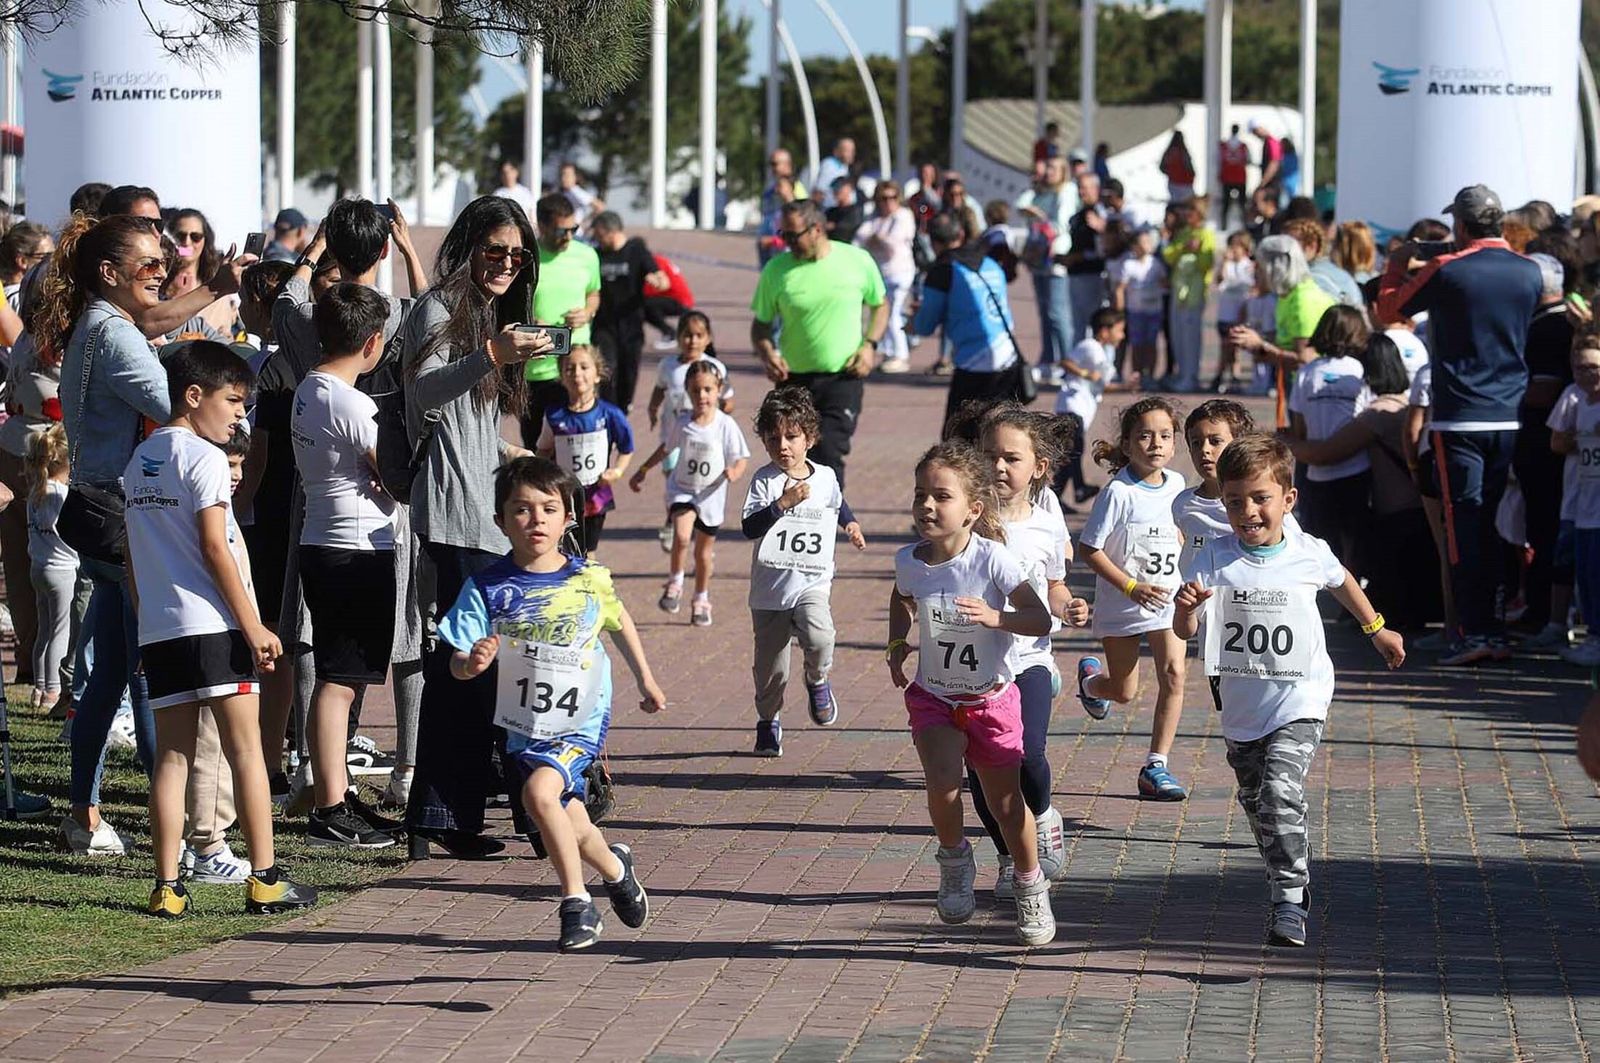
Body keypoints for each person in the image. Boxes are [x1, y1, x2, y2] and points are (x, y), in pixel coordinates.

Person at [1175, 434, 1402, 947]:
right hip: (1240, 706)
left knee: (1280, 790)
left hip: (1301, 697)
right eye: (1234, 501)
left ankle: (1291, 895)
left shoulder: (1307, 551)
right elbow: (1184, 632)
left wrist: (1377, 629)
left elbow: (1342, 579)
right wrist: (1187, 607)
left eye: (1260, 499)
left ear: (1288, 500)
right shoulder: (1212, 558)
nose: (1247, 511)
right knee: (1258, 804)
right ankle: (1284, 871)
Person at [123, 340, 317, 918]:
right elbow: (215, 545)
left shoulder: (138, 461)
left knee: (172, 759)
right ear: (193, 395)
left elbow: (133, 557)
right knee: (248, 751)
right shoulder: (204, 458)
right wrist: (253, 624)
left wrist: (143, 616)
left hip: (161, 629)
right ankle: (265, 879)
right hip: (215, 626)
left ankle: (167, 887)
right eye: (233, 401)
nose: (240, 415)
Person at [441, 456, 664, 952]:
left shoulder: (588, 579)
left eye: (548, 508)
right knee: (569, 817)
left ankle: (576, 902)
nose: (535, 519)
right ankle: (615, 869)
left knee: (539, 797)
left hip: (580, 717)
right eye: (521, 509)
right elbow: (458, 656)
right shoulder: (486, 588)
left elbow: (619, 621)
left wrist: (646, 680)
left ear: (569, 519)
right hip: (525, 721)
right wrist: (470, 664)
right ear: (500, 521)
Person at [402, 195, 552, 859]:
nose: (507, 264)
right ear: (467, 245)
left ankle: (451, 813)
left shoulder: (489, 314)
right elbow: (424, 392)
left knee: (487, 668)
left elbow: (472, 429)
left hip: (487, 515)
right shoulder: (437, 308)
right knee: (471, 668)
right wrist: (490, 352)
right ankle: (446, 814)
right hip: (452, 518)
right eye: (496, 250)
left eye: (518, 256)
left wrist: (517, 463)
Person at [39, 212, 174, 855]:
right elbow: (180, 403)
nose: (162, 274)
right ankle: (183, 833)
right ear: (109, 273)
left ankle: (85, 814)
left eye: (164, 261)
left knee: (118, 667)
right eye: (149, 265)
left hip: (101, 507)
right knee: (145, 671)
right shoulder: (113, 333)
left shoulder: (98, 324)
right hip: (121, 513)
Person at [885, 441, 1056, 945]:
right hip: (935, 696)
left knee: (1006, 805)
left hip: (990, 700)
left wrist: (996, 617)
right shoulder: (909, 561)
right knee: (942, 785)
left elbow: (1039, 617)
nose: (927, 506)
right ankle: (955, 861)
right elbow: (902, 599)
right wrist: (897, 642)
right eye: (920, 495)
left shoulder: (994, 560)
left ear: (973, 510)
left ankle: (1030, 884)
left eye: (941, 496)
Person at [1377, 184, 1544, 665]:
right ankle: (1488, 628)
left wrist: (1400, 261)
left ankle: (1473, 633)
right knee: (1489, 522)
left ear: (1463, 225)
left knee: (1463, 526)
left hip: (1458, 417)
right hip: (1508, 414)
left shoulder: (1448, 269)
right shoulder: (1528, 271)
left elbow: (1390, 310)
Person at [291, 283, 402, 849]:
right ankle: (330, 806)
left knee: (341, 678)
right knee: (340, 681)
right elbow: (396, 475)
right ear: (373, 341)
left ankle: (334, 792)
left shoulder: (308, 389)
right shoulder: (352, 403)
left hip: (323, 541)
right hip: (355, 548)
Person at [969, 404, 1089, 898]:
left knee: (1029, 752)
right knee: (981, 769)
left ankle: (1043, 815)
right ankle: (1006, 856)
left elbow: (1054, 586)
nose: (999, 466)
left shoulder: (1046, 519)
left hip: (1029, 658)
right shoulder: (968, 516)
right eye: (990, 456)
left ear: (1038, 468)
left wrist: (1070, 606)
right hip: (977, 665)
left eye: (1011, 459)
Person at [1075, 397, 1191, 800]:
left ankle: (1156, 765)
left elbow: (1180, 532)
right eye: (1144, 436)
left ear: (1175, 443)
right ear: (1126, 444)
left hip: (1167, 600)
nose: (1155, 444)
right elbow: (1089, 548)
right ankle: (1092, 684)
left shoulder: (1178, 486)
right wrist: (1130, 586)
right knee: (1123, 691)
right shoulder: (1118, 493)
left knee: (1174, 674)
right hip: (1125, 601)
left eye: (1164, 435)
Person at [740, 387, 866, 756]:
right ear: (763, 440)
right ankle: (768, 721)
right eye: (774, 437)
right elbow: (750, 527)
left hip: (812, 580)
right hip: (770, 590)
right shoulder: (764, 481)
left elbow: (837, 505)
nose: (783, 445)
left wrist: (851, 524)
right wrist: (784, 502)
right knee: (771, 668)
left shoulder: (825, 476)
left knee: (820, 634)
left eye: (792, 437)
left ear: (809, 438)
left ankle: (817, 677)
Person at [1287, 335, 1434, 631]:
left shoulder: (1377, 415)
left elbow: (1325, 454)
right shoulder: (1402, 404)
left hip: (1398, 515)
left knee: (1398, 600)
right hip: (1413, 509)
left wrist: (1282, 440)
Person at [751, 199, 887, 489]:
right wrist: (767, 353)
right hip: (794, 380)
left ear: (816, 229)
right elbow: (760, 325)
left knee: (828, 452)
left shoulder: (857, 260)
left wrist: (870, 345)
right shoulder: (777, 270)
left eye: (792, 235)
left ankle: (827, 520)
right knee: (790, 455)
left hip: (843, 376)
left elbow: (880, 305)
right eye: (782, 235)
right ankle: (793, 521)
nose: (786, 242)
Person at [629, 360, 749, 626]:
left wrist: (735, 472)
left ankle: (701, 598)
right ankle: (675, 582)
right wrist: (644, 469)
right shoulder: (683, 422)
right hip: (682, 489)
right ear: (688, 391)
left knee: (703, 554)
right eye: (695, 390)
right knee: (682, 537)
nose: (702, 396)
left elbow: (741, 458)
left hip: (711, 495)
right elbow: (666, 448)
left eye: (707, 389)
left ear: (719, 390)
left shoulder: (725, 425)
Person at [909, 215, 1027, 431]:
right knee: (1001, 433)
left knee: (957, 439)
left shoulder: (943, 270)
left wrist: (914, 321)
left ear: (933, 242)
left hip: (975, 364)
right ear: (961, 235)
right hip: (1008, 358)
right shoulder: (990, 263)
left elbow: (925, 325)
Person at [1513, 254, 1574, 647]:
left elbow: (1543, 390)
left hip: (1546, 447)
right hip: (1542, 445)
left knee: (1545, 529)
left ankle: (1543, 614)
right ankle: (1537, 609)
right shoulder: (1548, 322)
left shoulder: (1551, 327)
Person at [1288, 306, 1372, 566]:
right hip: (1357, 469)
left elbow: (1298, 428)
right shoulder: (1360, 372)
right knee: (1355, 545)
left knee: (1320, 544)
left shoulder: (1307, 373)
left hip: (1315, 474)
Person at [534, 345, 635, 556]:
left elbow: (627, 448)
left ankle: (588, 587)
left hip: (595, 496)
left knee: (587, 553)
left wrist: (616, 472)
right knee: (562, 550)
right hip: (564, 495)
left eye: (584, 367)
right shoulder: (554, 416)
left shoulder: (609, 414)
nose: (577, 374)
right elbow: (543, 450)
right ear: (562, 377)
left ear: (597, 375)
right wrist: (544, 477)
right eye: (569, 368)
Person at [1230, 235, 1337, 428]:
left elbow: (1305, 360)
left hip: (1317, 393)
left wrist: (1260, 346)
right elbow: (1285, 342)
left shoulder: (1302, 301)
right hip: (1300, 388)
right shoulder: (1287, 296)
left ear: (1275, 267)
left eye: (1260, 267)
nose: (1256, 273)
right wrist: (1255, 341)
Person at [526, 193, 601, 438]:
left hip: (577, 367)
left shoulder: (587, 255)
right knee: (536, 444)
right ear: (543, 226)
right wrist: (529, 321)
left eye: (573, 229)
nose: (568, 237)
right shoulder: (526, 257)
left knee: (580, 439)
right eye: (561, 231)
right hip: (537, 369)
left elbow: (593, 293)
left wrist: (587, 313)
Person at [1548, 339, 1600, 666]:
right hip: (1583, 505)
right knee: (1586, 576)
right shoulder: (1576, 400)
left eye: (1593, 367)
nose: (1585, 374)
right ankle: (1592, 635)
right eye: (1578, 367)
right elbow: (1556, 441)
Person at [588, 211, 666, 413]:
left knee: (628, 376)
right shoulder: (595, 254)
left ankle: (621, 411)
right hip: (603, 326)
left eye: (598, 234)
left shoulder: (636, 251)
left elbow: (660, 276)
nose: (596, 239)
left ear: (610, 231)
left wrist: (658, 281)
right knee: (606, 370)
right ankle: (608, 410)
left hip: (631, 328)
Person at [24, 423, 73, 712]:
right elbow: (66, 531)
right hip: (63, 569)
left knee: (45, 630)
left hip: (39, 567)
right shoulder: (61, 495)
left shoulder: (36, 491)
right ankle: (53, 690)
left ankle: (40, 688)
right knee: (60, 632)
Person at [1016, 157, 1077, 382]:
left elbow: (1061, 223)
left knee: (1057, 313)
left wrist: (1041, 218)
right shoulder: (1040, 191)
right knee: (1043, 311)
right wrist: (1035, 185)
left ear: (1063, 171)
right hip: (1037, 256)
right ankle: (1048, 359)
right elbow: (1021, 206)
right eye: (1046, 168)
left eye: (1052, 168)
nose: (1048, 172)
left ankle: (1068, 360)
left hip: (1055, 257)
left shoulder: (1066, 191)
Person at [1054, 308, 1121, 505]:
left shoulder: (1102, 351)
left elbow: (1102, 384)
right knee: (1073, 449)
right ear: (1104, 330)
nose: (1122, 335)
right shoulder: (1089, 345)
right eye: (1119, 330)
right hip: (1071, 406)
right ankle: (1079, 487)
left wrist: (1127, 386)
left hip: (1081, 409)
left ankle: (1057, 496)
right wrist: (1084, 374)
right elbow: (1065, 362)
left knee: (1070, 454)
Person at [853, 180, 917, 374]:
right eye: (883, 198)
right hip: (881, 275)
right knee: (883, 314)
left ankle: (901, 355)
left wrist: (876, 239)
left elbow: (892, 245)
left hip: (900, 273)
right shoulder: (875, 220)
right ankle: (890, 352)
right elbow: (857, 241)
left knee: (893, 314)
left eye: (892, 198)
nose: (888, 202)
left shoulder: (903, 216)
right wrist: (875, 239)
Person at [1161, 196, 1215, 392]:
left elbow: (1206, 263)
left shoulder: (1206, 234)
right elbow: (1169, 255)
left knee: (1191, 336)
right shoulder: (1184, 233)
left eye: (1190, 212)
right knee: (1178, 334)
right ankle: (1182, 373)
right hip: (1178, 291)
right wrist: (1184, 248)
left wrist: (1198, 251)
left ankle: (1191, 375)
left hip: (1194, 293)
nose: (1186, 215)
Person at [1114, 224, 1166, 389]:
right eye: (1143, 241)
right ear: (1135, 245)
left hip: (1154, 310)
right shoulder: (1128, 264)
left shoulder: (1155, 263)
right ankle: (1136, 376)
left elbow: (1165, 282)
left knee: (1152, 344)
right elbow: (1120, 288)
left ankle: (1150, 375)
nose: (1147, 244)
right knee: (1136, 345)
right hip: (1135, 311)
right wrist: (1120, 310)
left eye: (1149, 241)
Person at [1065, 172, 1108, 344]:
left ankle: (1102, 367)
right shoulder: (1079, 215)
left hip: (1093, 277)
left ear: (1096, 189)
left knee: (1098, 325)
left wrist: (1102, 227)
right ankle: (1079, 366)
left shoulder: (1102, 214)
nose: (1081, 192)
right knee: (1078, 326)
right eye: (1079, 188)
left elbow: (1103, 250)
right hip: (1076, 275)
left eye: (1085, 188)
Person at [1213, 231, 1255, 392]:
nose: (1233, 250)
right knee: (1225, 346)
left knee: (1234, 346)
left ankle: (1232, 375)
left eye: (1236, 246)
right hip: (1225, 313)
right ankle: (1224, 376)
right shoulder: (1227, 265)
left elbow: (1250, 287)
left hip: (1240, 313)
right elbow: (1219, 280)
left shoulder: (1248, 266)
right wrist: (1224, 262)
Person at [162, 209, 221, 300]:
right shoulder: (156, 281)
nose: (187, 242)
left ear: (205, 241)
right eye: (180, 236)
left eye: (195, 237)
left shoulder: (216, 290)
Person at [644, 251, 694, 349]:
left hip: (679, 300)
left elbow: (653, 287)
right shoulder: (655, 260)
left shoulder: (653, 263)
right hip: (676, 298)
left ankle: (671, 334)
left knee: (643, 306)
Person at [1219, 125, 1251, 229]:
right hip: (1239, 177)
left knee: (1226, 203)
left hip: (1228, 177)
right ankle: (1243, 225)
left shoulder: (1224, 145)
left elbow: (1219, 160)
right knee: (1241, 203)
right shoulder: (1243, 146)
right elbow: (1248, 160)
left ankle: (1224, 225)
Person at [557, 161, 604, 227]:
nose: (563, 178)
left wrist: (585, 223)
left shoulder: (576, 192)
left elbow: (599, 206)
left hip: (575, 233)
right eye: (561, 174)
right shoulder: (562, 192)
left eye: (567, 175)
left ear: (575, 177)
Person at [814, 138, 856, 209]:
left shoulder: (844, 167)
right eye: (847, 150)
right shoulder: (829, 165)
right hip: (832, 211)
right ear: (836, 151)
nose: (851, 154)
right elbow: (819, 192)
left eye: (852, 151)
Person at [824, 178, 864, 244]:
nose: (836, 190)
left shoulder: (855, 211)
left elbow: (846, 229)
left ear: (849, 188)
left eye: (840, 187)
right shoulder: (830, 212)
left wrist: (832, 226)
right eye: (835, 187)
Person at [1159, 131, 1196, 202]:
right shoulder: (1183, 152)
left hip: (1173, 184)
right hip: (1185, 184)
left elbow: (1162, 167)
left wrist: (1171, 173)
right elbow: (1190, 169)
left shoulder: (1168, 152)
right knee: (1186, 205)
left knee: (1176, 204)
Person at [1252, 123, 1283, 202]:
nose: (1256, 135)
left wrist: (1263, 183)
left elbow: (1274, 164)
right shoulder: (1268, 142)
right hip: (1271, 183)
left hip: (1273, 184)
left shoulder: (1271, 142)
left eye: (1256, 131)